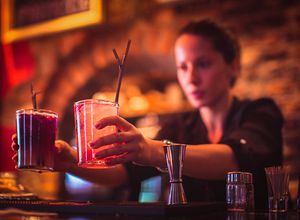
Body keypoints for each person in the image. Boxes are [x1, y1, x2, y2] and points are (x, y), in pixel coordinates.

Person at [11, 19, 283, 209]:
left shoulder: (260, 112)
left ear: (232, 66)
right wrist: (71, 161)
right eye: (183, 67)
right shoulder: (179, 126)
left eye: (203, 64)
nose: (191, 78)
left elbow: (236, 159)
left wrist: (152, 151)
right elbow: (125, 173)